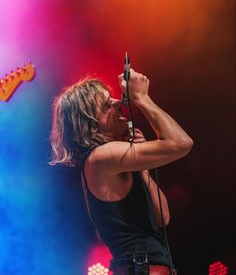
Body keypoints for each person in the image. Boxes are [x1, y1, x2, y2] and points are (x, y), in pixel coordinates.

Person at [50, 69, 193, 275]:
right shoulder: (98, 158)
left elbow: (162, 217)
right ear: (89, 123)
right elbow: (181, 143)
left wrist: (141, 166)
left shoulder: (111, 160)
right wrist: (142, 98)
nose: (119, 103)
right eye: (108, 104)